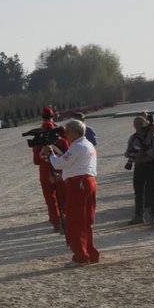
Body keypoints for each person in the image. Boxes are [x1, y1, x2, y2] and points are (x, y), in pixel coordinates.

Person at [45, 118, 100, 265]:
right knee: (86, 221)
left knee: (75, 221)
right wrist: (60, 176)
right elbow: (74, 167)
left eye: (67, 131)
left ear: (75, 132)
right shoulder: (87, 144)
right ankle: (91, 254)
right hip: (88, 181)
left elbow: (60, 163)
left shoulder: (77, 146)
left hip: (78, 184)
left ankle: (81, 257)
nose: (65, 134)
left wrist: (51, 154)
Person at [31, 107, 66, 233]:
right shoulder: (62, 138)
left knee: (50, 200)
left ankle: (56, 224)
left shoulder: (38, 140)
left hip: (45, 172)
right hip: (60, 170)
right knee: (63, 197)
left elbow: (36, 161)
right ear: (53, 116)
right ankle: (65, 220)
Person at [125, 115, 154, 225]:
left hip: (149, 165)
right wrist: (135, 155)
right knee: (138, 193)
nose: (139, 126)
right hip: (139, 166)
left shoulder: (152, 136)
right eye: (137, 124)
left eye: (141, 123)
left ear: (146, 123)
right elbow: (127, 153)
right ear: (134, 125)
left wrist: (144, 153)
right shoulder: (133, 138)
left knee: (152, 192)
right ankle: (138, 216)